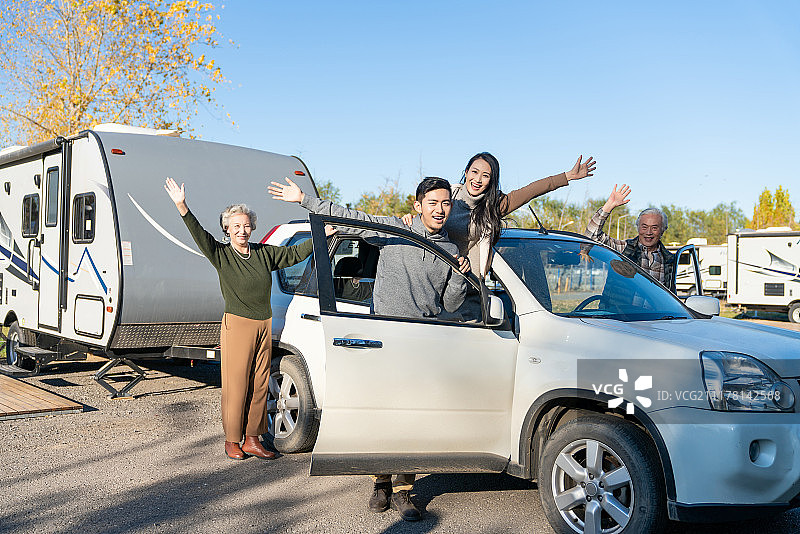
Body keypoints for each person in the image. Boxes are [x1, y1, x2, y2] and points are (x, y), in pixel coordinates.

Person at [269, 176, 469, 521]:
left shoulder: (450, 250)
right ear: (417, 205)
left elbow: (450, 304)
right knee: (383, 415)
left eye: (446, 203)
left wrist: (461, 275)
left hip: (423, 342)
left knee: (415, 418)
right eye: (433, 203)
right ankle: (380, 483)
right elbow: (349, 217)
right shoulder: (393, 231)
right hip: (384, 340)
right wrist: (304, 199)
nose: (440, 210)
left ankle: (405, 492)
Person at [164, 177, 332, 461]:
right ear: (227, 230)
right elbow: (199, 234)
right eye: (236, 226)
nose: (242, 230)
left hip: (263, 324)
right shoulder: (220, 254)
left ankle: (253, 438)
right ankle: (233, 440)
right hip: (237, 325)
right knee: (236, 385)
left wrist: (320, 237)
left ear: (252, 227)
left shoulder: (264, 254)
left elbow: (293, 254)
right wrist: (182, 205)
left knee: (260, 383)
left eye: (246, 225)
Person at [403, 152, 595, 318]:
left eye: (485, 175)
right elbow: (426, 212)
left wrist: (567, 176)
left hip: (467, 286)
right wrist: (412, 218)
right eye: (474, 172)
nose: (478, 180)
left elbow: (530, 191)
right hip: (432, 280)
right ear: (466, 172)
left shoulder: (493, 206)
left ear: (491, 180)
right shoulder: (448, 195)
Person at [584, 183, 676, 288]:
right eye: (644, 227)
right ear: (638, 227)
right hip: (620, 305)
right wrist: (608, 206)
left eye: (654, 228)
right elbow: (591, 237)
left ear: (663, 230)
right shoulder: (624, 249)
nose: (648, 232)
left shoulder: (669, 259)